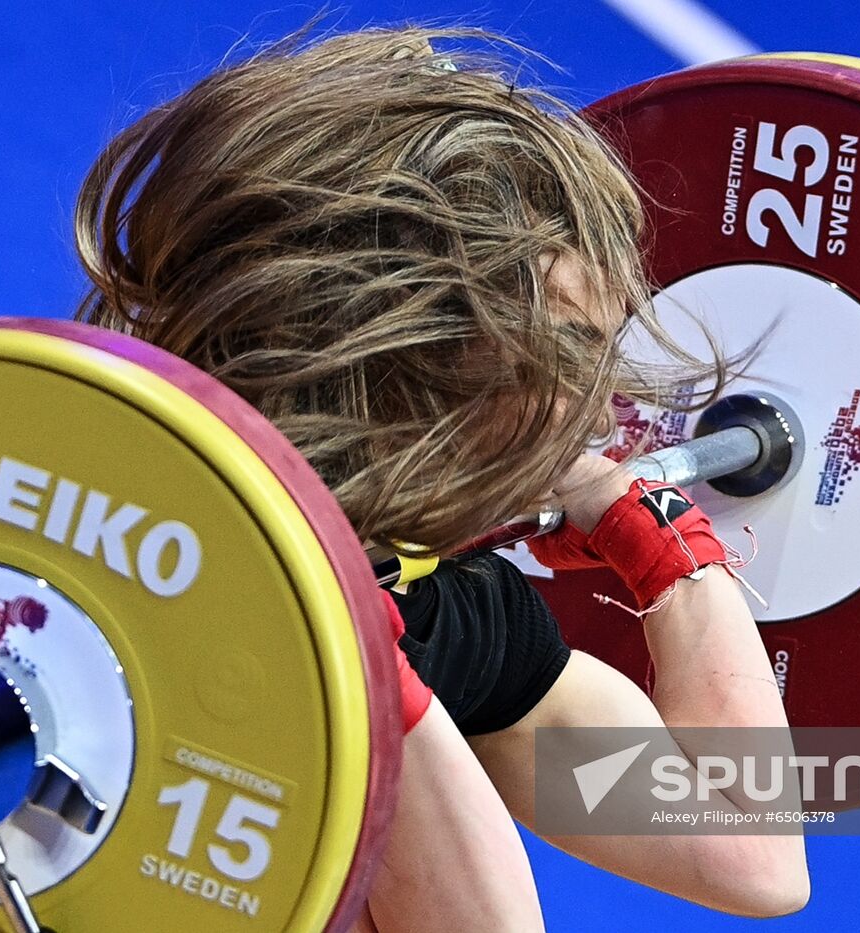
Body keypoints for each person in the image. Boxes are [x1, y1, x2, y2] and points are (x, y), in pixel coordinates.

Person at [73, 25, 810, 929]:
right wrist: (360, 656)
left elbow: (754, 855)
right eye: (572, 354)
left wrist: (656, 536)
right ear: (415, 343)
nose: (600, 409)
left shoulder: (451, 616)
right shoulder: (105, 519)